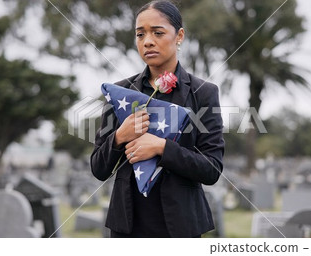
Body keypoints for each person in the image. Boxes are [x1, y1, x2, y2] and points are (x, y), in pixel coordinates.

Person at [90, 0, 224, 238]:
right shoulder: (120, 93)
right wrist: (121, 136)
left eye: (157, 32)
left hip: (180, 227)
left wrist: (161, 147)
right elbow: (99, 168)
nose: (147, 41)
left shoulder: (203, 93)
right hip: (128, 228)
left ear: (179, 35)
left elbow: (211, 169)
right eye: (140, 34)